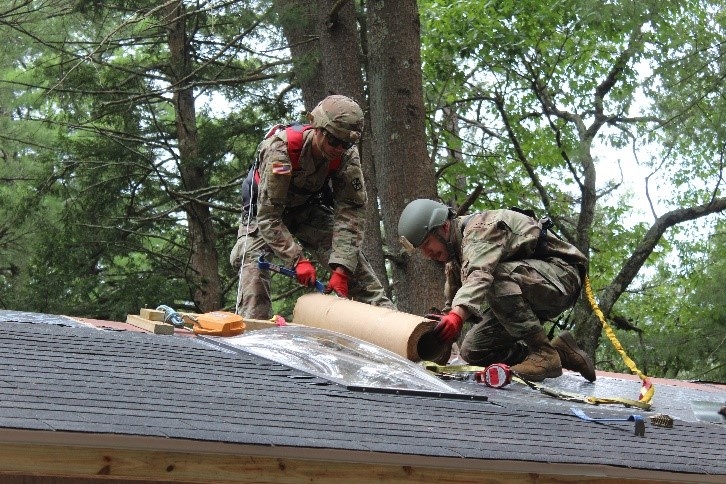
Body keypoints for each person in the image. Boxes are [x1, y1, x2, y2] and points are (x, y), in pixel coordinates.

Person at [230, 95, 394, 319]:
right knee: (253, 272)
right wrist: (297, 260)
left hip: (308, 208)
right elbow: (269, 218)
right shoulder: (281, 150)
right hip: (264, 214)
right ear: (317, 128)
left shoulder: (346, 156)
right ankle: (252, 336)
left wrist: (342, 269)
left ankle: (399, 331)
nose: (338, 149)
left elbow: (352, 210)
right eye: (334, 141)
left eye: (345, 144)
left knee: (359, 273)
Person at [398, 198, 596, 382]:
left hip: (563, 278)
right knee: (474, 350)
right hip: (530, 287)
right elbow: (454, 304)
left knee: (496, 277)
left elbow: (480, 276)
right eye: (421, 250)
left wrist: (457, 316)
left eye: (426, 244)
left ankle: (543, 354)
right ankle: (559, 353)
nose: (427, 254)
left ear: (444, 226)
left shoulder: (480, 230)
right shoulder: (455, 259)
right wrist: (444, 327)